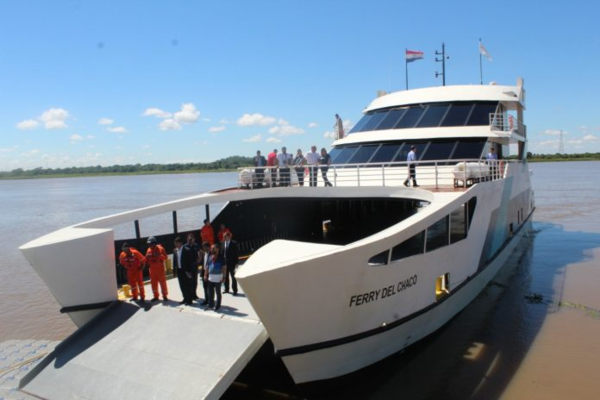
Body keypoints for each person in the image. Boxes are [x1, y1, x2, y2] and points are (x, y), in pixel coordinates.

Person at [173, 236, 196, 305]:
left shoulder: (187, 250)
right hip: (179, 270)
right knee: (182, 285)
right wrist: (174, 270)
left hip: (186, 270)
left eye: (176, 243)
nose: (175, 245)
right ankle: (185, 298)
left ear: (180, 243)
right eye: (175, 243)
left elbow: (190, 262)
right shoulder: (175, 250)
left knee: (187, 285)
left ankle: (189, 300)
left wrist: (189, 271)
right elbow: (175, 261)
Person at [145, 236, 168, 302]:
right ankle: (155, 296)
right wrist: (147, 257)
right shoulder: (148, 249)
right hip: (152, 271)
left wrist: (159, 255)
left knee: (163, 284)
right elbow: (146, 258)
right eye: (149, 244)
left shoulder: (161, 249)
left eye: (151, 244)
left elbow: (166, 257)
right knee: (153, 284)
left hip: (160, 270)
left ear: (154, 243)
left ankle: (165, 296)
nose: (150, 245)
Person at [204, 243, 225, 311]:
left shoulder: (221, 258)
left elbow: (224, 268)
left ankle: (218, 306)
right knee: (210, 292)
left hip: (218, 278)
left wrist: (224, 277)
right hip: (210, 278)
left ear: (217, 249)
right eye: (211, 248)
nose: (211, 249)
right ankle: (211, 305)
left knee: (218, 293)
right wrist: (205, 275)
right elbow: (207, 267)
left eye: (213, 248)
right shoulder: (210, 257)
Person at [187, 233, 201, 300]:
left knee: (195, 281)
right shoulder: (185, 246)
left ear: (194, 239)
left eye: (191, 239)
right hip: (188, 266)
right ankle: (189, 295)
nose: (190, 240)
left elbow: (200, 252)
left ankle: (194, 294)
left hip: (195, 265)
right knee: (189, 281)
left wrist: (199, 259)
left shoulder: (196, 246)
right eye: (189, 239)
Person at [198, 241, 211, 306]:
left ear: (208, 247)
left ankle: (211, 301)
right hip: (204, 272)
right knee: (205, 287)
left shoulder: (211, 254)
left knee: (210, 288)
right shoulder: (204, 254)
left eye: (204, 247)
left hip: (210, 273)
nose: (203, 249)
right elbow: (203, 264)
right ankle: (206, 300)